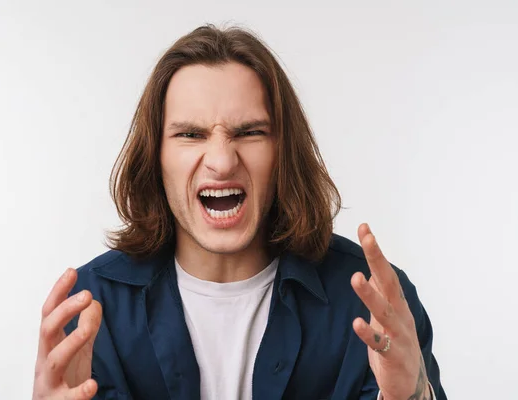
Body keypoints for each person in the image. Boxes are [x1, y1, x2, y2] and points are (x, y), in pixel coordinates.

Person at [32, 24, 446, 400]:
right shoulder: (90, 308)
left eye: (249, 133)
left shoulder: (373, 305)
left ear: (283, 151)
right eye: (190, 134)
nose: (222, 161)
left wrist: (410, 397)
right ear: (155, 156)